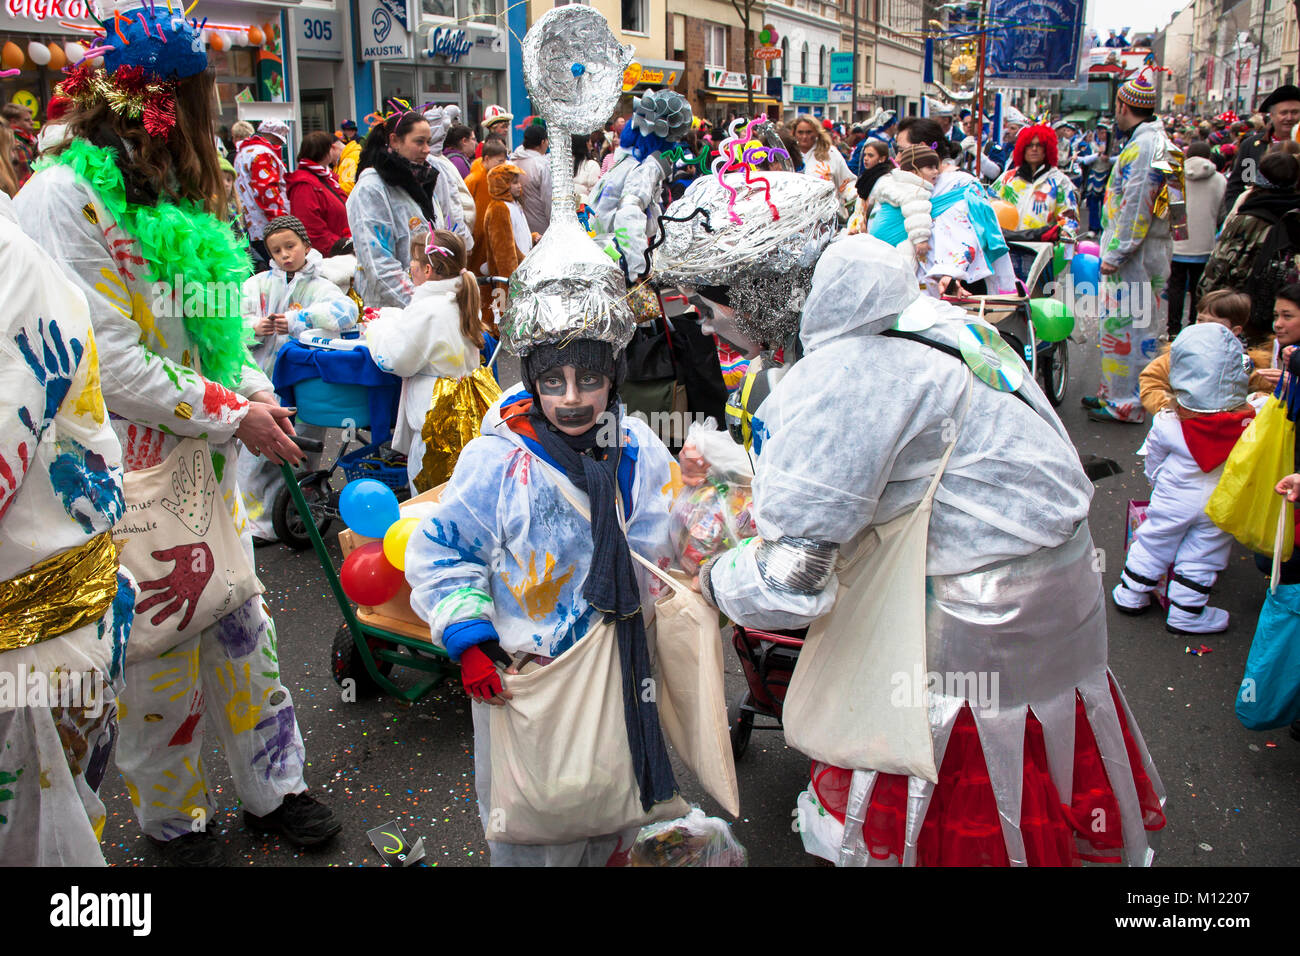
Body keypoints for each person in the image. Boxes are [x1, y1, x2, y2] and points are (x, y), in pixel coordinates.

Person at [665, 221, 1163, 865]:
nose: (705, 327)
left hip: (974, 613)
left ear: (754, 296)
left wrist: (709, 580)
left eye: (706, 307)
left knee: (949, 798)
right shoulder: (919, 312)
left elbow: (794, 579)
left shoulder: (844, 372)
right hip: (1056, 594)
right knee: (1028, 768)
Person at [16, 7, 338, 866]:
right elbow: (107, 362)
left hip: (200, 456)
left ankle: (276, 788)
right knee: (159, 647)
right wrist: (236, 413)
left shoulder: (175, 181)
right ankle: (175, 823)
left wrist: (255, 395)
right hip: (113, 468)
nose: (214, 111)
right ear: (155, 103)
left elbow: (213, 325)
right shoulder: (61, 198)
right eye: (202, 95)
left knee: (243, 625)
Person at [406, 9, 686, 864]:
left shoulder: (640, 450)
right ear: (529, 371)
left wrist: (706, 522)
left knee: (613, 816)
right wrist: (468, 636)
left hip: (616, 664)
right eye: (552, 379)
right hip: (525, 676)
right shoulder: (497, 456)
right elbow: (442, 548)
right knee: (530, 831)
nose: (571, 398)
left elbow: (665, 546)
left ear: (612, 370)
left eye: (590, 377)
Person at [0, 207, 135, 866]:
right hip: (48, 617)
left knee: (48, 838)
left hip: (33, 636)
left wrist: (225, 403)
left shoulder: (12, 264)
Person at [1113, 324, 1256, 635]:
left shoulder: (1168, 421)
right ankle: (1186, 613)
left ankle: (1131, 593)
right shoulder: (1250, 420)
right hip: (1220, 501)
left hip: (1173, 495)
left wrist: (1156, 480)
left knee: (1154, 540)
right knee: (1204, 554)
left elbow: (1153, 457)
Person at [236, 215, 358, 542]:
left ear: (306, 245)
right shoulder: (257, 285)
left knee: (300, 444)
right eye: (276, 251)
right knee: (255, 454)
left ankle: (296, 510)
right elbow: (233, 321)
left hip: (305, 383)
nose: (285, 255)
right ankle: (254, 522)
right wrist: (253, 328)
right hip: (262, 380)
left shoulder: (322, 285)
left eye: (290, 246)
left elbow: (346, 313)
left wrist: (295, 320)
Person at [364, 229, 500, 492]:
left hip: (435, 415)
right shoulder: (457, 299)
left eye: (412, 263)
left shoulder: (428, 308)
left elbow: (394, 359)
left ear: (427, 270)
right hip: (461, 408)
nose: (409, 268)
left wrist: (375, 330)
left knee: (431, 494)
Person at [1082, 67, 1181, 425]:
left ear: (1124, 106)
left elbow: (1137, 204)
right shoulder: (1157, 142)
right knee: (1125, 327)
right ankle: (1116, 392)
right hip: (1144, 251)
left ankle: (1127, 402)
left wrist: (1118, 252)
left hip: (1136, 256)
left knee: (1133, 328)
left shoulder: (1144, 146)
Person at [347, 109, 439, 308]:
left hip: (428, 302)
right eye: (419, 141)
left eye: (428, 142)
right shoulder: (371, 188)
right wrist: (419, 305)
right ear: (395, 141)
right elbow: (378, 264)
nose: (426, 149)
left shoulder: (422, 180)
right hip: (390, 311)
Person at [1139, 290, 1270, 414]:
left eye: (1213, 324)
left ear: (1235, 331)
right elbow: (1152, 381)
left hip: (1228, 430)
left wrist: (1257, 402)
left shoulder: (1245, 362)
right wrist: (1169, 407)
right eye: (1200, 320)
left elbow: (1267, 390)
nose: (1202, 327)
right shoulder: (1180, 354)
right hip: (1184, 425)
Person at [924, 138, 1017, 296]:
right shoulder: (909, 189)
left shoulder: (962, 185)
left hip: (964, 275)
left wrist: (952, 272)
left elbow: (971, 233)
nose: (898, 158)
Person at [1168, 141, 1225, 337]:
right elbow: (1221, 213)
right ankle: (1195, 325)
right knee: (1198, 288)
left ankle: (1173, 330)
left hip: (1178, 242)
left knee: (1176, 287)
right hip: (1205, 243)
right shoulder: (1219, 180)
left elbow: (1172, 210)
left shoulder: (1176, 177)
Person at [990, 123, 1079, 240]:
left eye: (1039, 145)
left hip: (1042, 250)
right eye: (1029, 145)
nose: (1034, 149)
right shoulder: (1008, 178)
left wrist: (1066, 231)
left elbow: (1069, 217)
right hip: (1007, 247)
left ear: (1047, 149)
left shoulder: (1060, 181)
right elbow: (988, 207)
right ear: (1022, 148)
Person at [1224, 84, 1300, 208]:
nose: (1289, 118)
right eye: (1284, 113)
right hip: (1259, 217)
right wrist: (1237, 212)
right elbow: (1240, 183)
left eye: (1295, 112)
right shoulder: (1252, 146)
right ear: (1272, 115)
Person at [479, 162, 532, 331]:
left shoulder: (513, 205)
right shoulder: (499, 208)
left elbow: (515, 235)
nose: (519, 186)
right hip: (510, 275)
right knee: (502, 307)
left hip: (522, 267)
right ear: (502, 185)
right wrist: (511, 278)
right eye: (514, 182)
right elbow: (504, 252)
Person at [866, 142, 937, 266]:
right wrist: (921, 240)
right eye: (930, 168)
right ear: (914, 172)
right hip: (895, 243)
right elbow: (916, 213)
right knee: (905, 262)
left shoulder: (894, 183)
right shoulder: (915, 190)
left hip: (876, 240)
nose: (936, 172)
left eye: (936, 167)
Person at [233, 118, 291, 269]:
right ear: (274, 137)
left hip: (250, 226)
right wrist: (282, 224)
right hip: (266, 227)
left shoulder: (243, 153)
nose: (281, 145)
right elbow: (267, 192)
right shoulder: (262, 154)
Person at [287, 130, 353, 255]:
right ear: (327, 151)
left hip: (340, 252)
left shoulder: (325, 178)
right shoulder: (305, 184)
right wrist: (340, 247)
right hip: (330, 257)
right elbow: (311, 229)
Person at [423, 106, 475, 254]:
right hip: (446, 244)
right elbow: (450, 209)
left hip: (453, 240)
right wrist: (461, 239)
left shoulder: (441, 161)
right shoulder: (433, 165)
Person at [792, 115, 855, 213]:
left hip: (827, 216)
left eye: (809, 132)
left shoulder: (830, 153)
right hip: (796, 216)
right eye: (800, 132)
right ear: (794, 133)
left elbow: (846, 181)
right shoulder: (787, 155)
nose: (804, 137)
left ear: (817, 133)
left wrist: (852, 195)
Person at [467, 138, 509, 276]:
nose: (504, 165)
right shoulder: (474, 180)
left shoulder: (499, 177)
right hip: (477, 240)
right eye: (499, 161)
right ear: (486, 159)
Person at [509, 124, 552, 237]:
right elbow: (548, 198)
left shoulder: (513, 160)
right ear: (542, 142)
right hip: (541, 225)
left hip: (518, 223)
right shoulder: (541, 165)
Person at [1081, 125, 1113, 233]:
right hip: (1094, 175)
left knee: (1106, 205)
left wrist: (1108, 159)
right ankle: (1093, 227)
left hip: (1107, 175)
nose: (1102, 135)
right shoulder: (1092, 145)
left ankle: (1104, 227)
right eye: (1099, 132)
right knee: (1093, 203)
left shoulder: (1113, 146)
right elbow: (1085, 160)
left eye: (1104, 132)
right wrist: (1098, 154)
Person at [1, 102, 37, 185]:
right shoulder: (17, 144)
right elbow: (26, 177)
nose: (32, 123)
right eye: (27, 120)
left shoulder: (27, 141)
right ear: (13, 122)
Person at [337, 120, 363, 196]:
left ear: (354, 131)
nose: (348, 132)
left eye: (350, 130)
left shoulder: (360, 141)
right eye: (346, 130)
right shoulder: (344, 141)